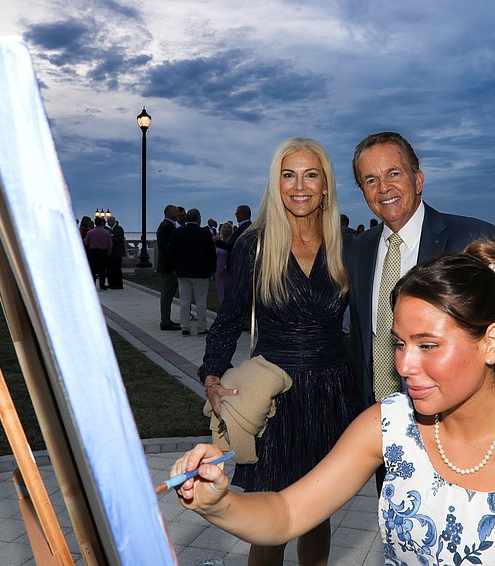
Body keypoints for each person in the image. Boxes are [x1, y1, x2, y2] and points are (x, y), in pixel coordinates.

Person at [172, 239, 495, 566]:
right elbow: (288, 512)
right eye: (400, 343)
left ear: (490, 343)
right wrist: (218, 502)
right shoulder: (389, 425)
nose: (403, 365)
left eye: (427, 345)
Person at [198, 138, 361, 566]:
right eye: (289, 175)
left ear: (325, 185)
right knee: (268, 524)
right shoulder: (255, 244)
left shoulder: (345, 243)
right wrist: (213, 377)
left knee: (316, 514)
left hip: (333, 393)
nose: (299, 186)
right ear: (277, 183)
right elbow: (229, 320)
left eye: (311, 175)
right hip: (275, 399)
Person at [344, 131, 495, 413]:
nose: (383, 188)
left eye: (394, 173)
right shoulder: (357, 251)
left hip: (452, 422)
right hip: (375, 423)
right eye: (371, 180)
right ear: (363, 191)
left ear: (418, 180)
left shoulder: (470, 239)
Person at [166, 208, 216, 336]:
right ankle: (201, 327)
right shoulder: (204, 233)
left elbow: (171, 251)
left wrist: (174, 267)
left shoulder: (178, 232)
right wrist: (212, 269)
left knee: (184, 300)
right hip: (201, 272)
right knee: (201, 300)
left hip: (183, 271)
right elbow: (211, 253)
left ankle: (185, 327)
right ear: (198, 218)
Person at [157, 204, 181, 330]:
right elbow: (169, 249)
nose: (178, 214)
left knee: (167, 293)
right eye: (176, 212)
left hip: (165, 265)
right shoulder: (168, 227)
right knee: (167, 294)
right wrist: (173, 267)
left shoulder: (164, 225)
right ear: (169, 213)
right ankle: (165, 321)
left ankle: (166, 319)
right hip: (169, 266)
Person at [83, 216, 112, 290]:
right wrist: (108, 252)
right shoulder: (106, 232)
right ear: (102, 223)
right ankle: (102, 285)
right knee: (102, 269)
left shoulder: (90, 232)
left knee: (93, 269)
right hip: (103, 251)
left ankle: (92, 284)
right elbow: (110, 244)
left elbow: (86, 241)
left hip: (93, 251)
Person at [214, 223, 233, 305]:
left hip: (228, 269)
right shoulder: (219, 242)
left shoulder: (231, 242)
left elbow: (233, 255)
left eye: (228, 227)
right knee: (220, 290)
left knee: (228, 290)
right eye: (224, 227)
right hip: (218, 268)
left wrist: (226, 267)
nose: (225, 228)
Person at [106, 215, 125, 289]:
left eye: (109, 221)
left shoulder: (119, 229)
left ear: (113, 221)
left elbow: (119, 239)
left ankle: (118, 284)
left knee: (117, 269)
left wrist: (110, 239)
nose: (108, 223)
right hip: (111, 253)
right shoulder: (109, 230)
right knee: (110, 269)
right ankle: (111, 283)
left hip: (117, 253)